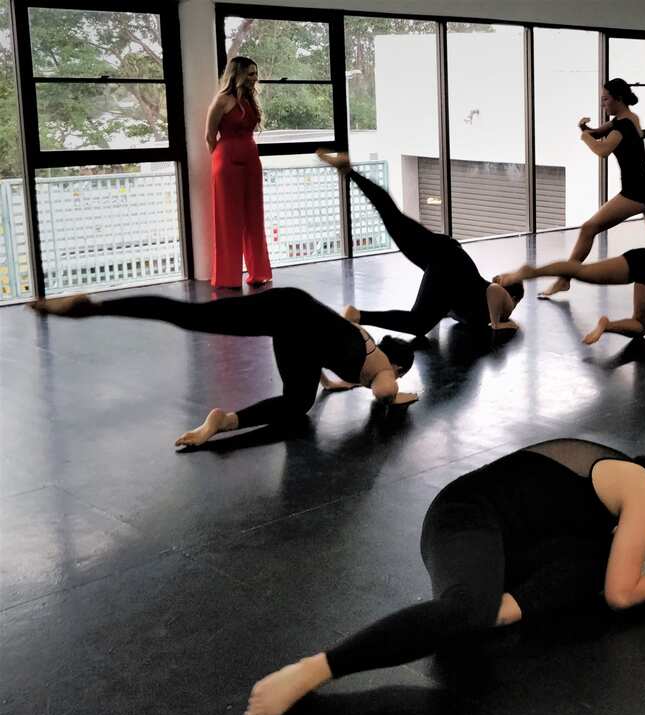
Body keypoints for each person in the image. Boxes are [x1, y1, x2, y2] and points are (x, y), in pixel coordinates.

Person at [241, 439, 645, 715]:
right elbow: (622, 595)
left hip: (501, 541)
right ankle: (313, 670)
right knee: (466, 609)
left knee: (596, 560)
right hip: (462, 518)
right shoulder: (641, 487)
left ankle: (501, 607)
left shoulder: (610, 486)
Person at [30, 288, 417, 446]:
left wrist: (328, 382)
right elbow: (383, 391)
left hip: (289, 309)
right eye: (400, 373)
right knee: (296, 405)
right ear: (399, 366)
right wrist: (396, 393)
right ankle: (224, 419)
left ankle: (97, 308)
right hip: (296, 325)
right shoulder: (385, 370)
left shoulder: (363, 341)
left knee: (192, 315)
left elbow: (326, 332)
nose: (393, 379)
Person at [315, 150, 524, 336]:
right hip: (448, 260)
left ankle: (349, 171)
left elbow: (475, 297)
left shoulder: (507, 301)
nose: (497, 277)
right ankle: (358, 316)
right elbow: (493, 292)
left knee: (393, 217)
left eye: (504, 278)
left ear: (513, 292)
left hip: (446, 259)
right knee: (417, 324)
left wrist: (494, 320)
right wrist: (498, 324)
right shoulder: (499, 300)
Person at [538, 78, 645, 300]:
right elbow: (600, 131)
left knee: (588, 228)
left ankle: (564, 280)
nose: (603, 104)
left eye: (605, 99)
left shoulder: (622, 126)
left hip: (636, 191)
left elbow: (602, 150)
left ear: (618, 98)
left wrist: (584, 137)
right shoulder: (629, 119)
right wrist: (585, 128)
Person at [498, 249, 645, 345]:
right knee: (640, 327)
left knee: (582, 271)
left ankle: (534, 272)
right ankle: (606, 325)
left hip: (643, 258)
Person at [205, 56, 272, 289]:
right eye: (251, 74)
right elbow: (209, 136)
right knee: (228, 220)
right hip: (226, 163)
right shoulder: (222, 100)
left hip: (251, 159)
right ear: (238, 74)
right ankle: (227, 278)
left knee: (254, 217)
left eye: (256, 73)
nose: (255, 78)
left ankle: (258, 273)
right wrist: (221, 159)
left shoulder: (251, 100)